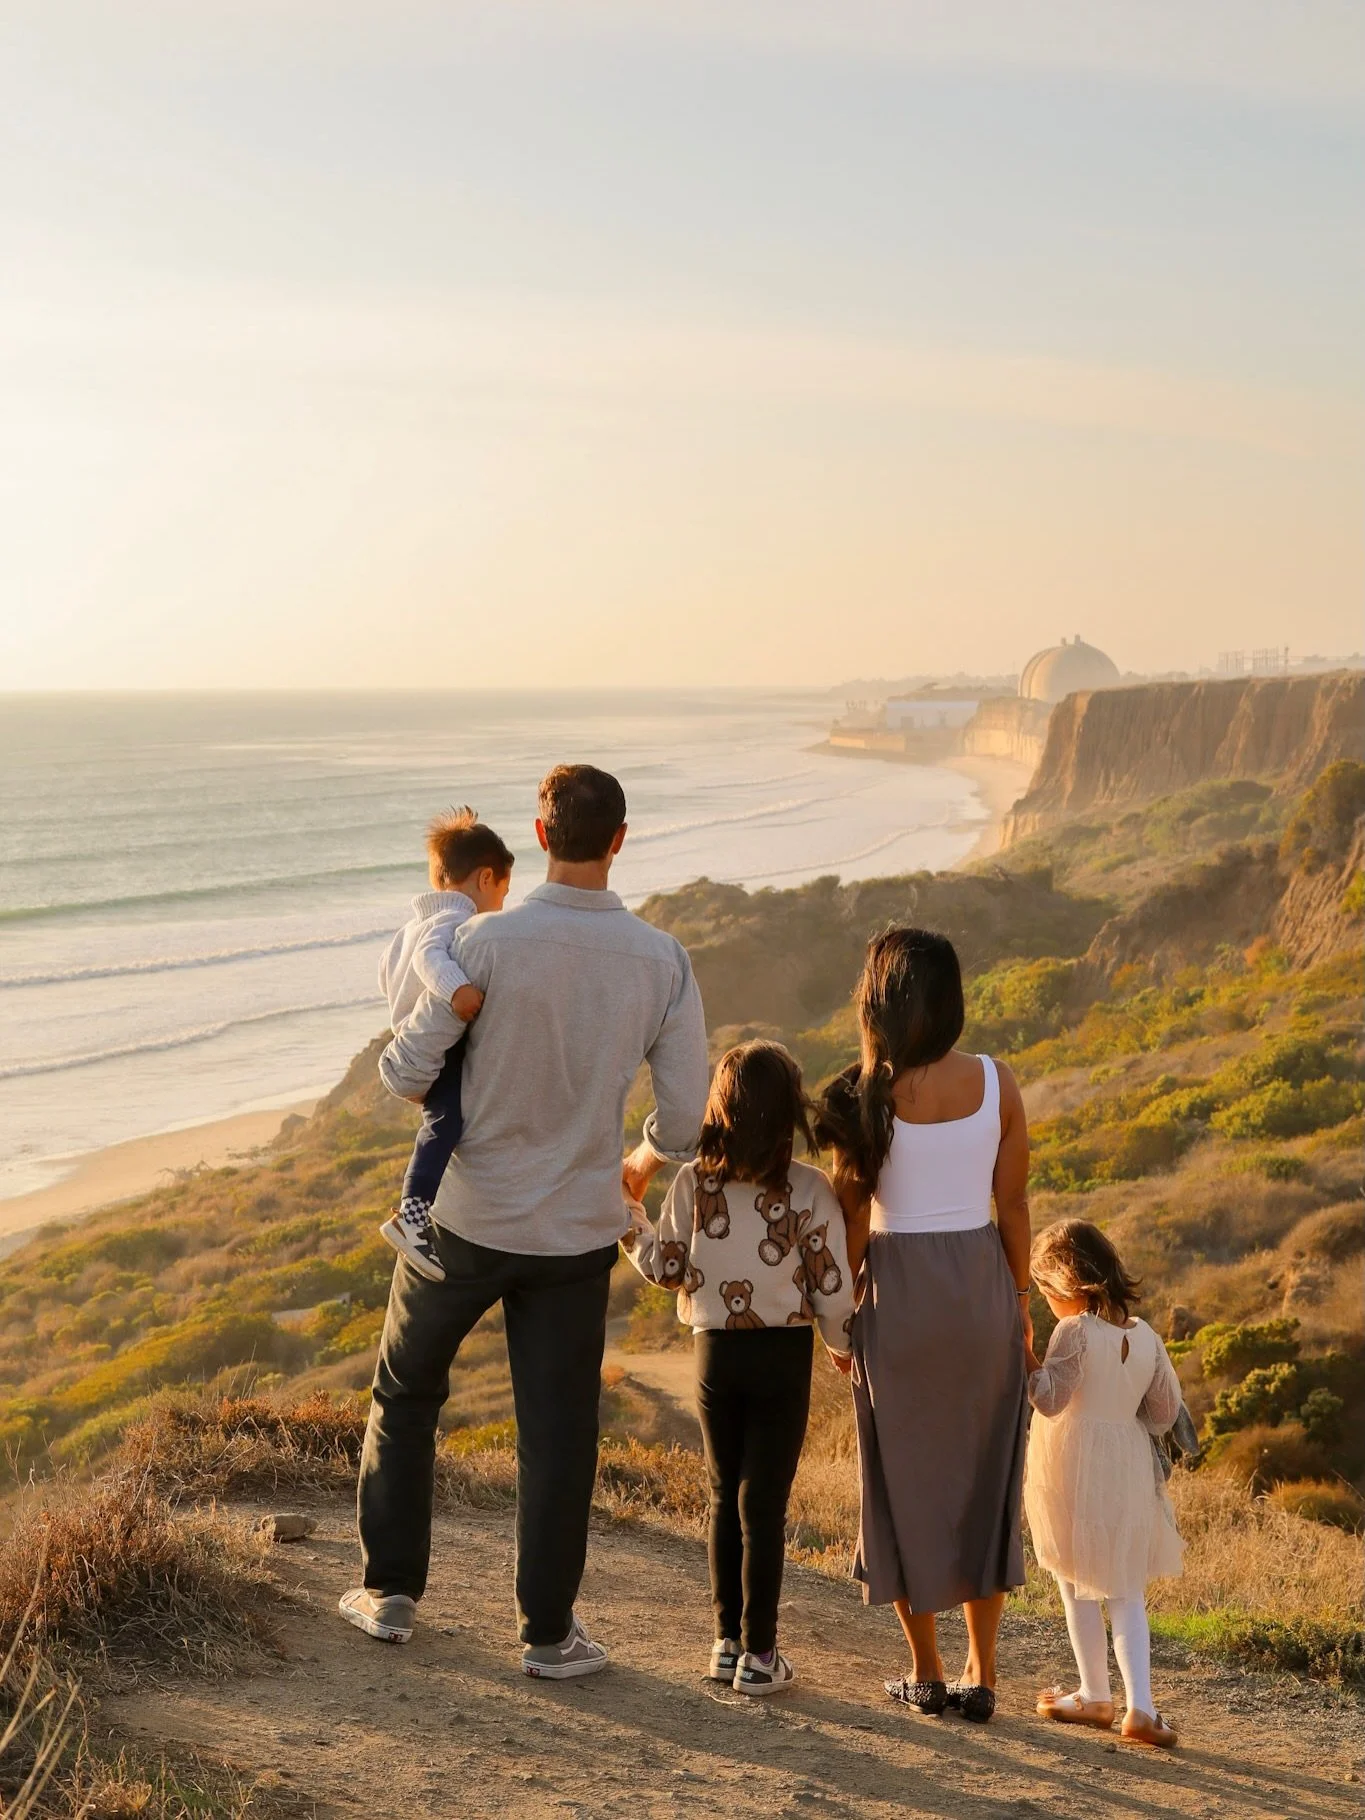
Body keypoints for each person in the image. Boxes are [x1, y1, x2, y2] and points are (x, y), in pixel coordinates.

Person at [341, 765, 710, 1677]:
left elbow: (401, 1074)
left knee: (405, 1396)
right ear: (620, 840)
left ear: (540, 838)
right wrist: (641, 1157)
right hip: (576, 1232)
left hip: (464, 1219)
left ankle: (389, 1594)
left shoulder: (484, 943)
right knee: (556, 1437)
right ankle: (547, 1636)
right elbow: (687, 1121)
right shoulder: (660, 959)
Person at [815, 927, 1031, 1723]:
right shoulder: (996, 1083)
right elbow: (1012, 1209)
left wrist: (838, 1328)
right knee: (982, 1483)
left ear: (877, 999)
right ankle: (983, 1675)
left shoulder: (858, 1094)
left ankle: (927, 1671)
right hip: (979, 1288)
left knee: (902, 1483)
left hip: (896, 1299)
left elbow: (850, 1229)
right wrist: (1017, 1304)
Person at [622, 1041, 854, 1695]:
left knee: (724, 1497)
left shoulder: (694, 1182)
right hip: (782, 1355)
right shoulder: (808, 1188)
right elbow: (831, 1288)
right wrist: (842, 1345)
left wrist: (629, 1217)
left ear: (717, 1110)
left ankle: (725, 1645)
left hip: (713, 1354)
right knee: (765, 1507)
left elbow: (665, 1268)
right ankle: (761, 1656)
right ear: (788, 1110)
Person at [1025, 1218, 1185, 1749]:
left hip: (1071, 1460)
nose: (1048, 1301)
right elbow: (1162, 1414)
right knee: (1124, 1585)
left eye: (1046, 1290)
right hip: (1126, 1462)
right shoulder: (1147, 1337)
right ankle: (1141, 1707)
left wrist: (1028, 1353)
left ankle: (1094, 1694)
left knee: (1074, 1578)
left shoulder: (1073, 1331)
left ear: (1067, 1283)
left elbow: (1049, 1399)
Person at [376, 807, 514, 1283]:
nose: (499, 905)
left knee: (449, 1119)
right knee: (446, 1121)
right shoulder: (455, 919)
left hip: (410, 1043)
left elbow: (389, 970)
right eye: (502, 893)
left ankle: (419, 1211)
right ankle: (412, 1215)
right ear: (486, 878)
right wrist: (457, 990)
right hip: (433, 1048)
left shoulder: (409, 926)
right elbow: (428, 958)